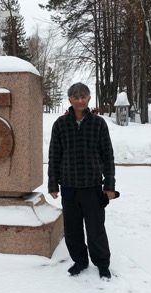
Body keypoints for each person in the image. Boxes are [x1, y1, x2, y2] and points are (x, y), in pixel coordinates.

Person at [48, 82, 116, 280]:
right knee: (73, 229)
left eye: (83, 97)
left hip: (92, 186)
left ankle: (102, 263)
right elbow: (54, 156)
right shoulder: (60, 124)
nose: (80, 100)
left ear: (88, 98)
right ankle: (80, 261)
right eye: (76, 97)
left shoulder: (98, 123)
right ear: (69, 99)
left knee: (96, 229)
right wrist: (53, 184)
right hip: (69, 187)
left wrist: (109, 185)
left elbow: (108, 157)